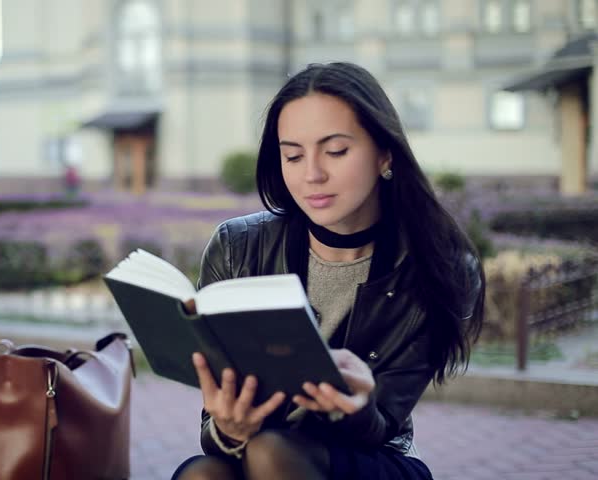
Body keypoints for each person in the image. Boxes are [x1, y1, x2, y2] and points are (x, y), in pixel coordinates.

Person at [171, 62, 485, 480]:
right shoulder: (236, 249)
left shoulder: (439, 267)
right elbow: (212, 427)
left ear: (384, 153)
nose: (312, 175)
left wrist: (356, 407)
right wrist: (228, 429)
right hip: (262, 445)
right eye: (293, 155)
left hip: (371, 456)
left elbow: (384, 424)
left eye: (336, 151)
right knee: (203, 474)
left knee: (270, 452)